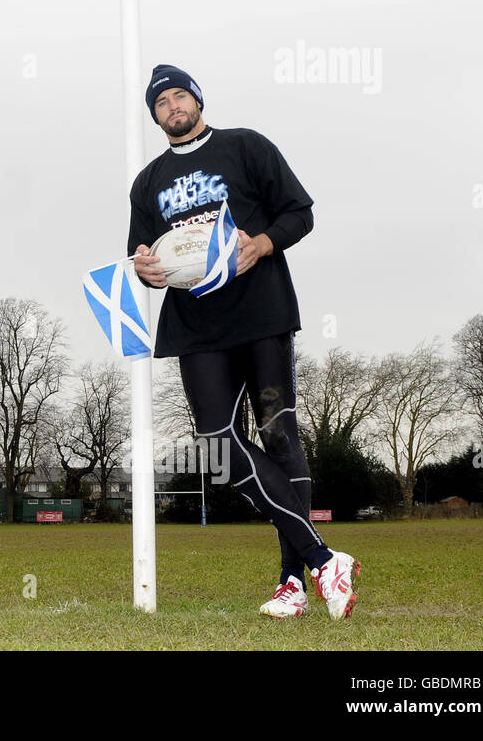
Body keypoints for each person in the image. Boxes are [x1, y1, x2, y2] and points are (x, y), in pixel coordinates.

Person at [126, 64, 360, 620]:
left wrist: (264, 243)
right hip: (197, 328)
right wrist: (144, 270)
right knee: (217, 447)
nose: (173, 107)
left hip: (261, 312)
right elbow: (140, 254)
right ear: (155, 116)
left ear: (198, 101)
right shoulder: (148, 181)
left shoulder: (245, 146)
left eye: (180, 96)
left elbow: (299, 213)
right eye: (162, 103)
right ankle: (324, 559)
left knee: (279, 436)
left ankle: (292, 584)